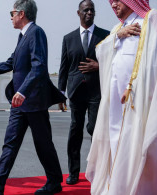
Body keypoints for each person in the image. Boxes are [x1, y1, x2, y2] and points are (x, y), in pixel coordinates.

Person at [85, 0, 157, 194]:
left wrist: (134, 85)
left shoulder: (151, 19)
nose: (113, 5)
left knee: (150, 152)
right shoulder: (119, 28)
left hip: (141, 102)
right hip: (118, 104)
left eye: (118, 0)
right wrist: (118, 35)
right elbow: (101, 50)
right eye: (111, 1)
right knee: (119, 146)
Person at [0, 0, 66, 194]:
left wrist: (23, 91)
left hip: (33, 100)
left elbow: (39, 66)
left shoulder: (36, 32)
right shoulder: (23, 36)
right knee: (10, 141)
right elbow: (10, 63)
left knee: (43, 144)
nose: (10, 17)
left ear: (21, 14)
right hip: (19, 103)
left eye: (12, 13)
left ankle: (54, 182)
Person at [58, 0, 109, 185]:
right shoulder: (68, 38)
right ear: (78, 13)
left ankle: (99, 171)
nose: (89, 13)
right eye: (86, 10)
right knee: (75, 132)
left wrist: (99, 65)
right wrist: (60, 93)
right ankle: (73, 173)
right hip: (76, 92)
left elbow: (114, 61)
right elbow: (64, 68)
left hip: (97, 91)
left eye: (92, 10)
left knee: (95, 129)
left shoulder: (105, 36)